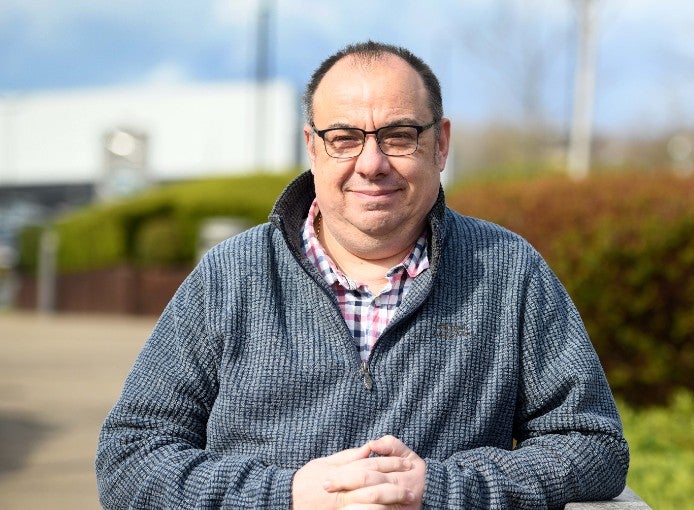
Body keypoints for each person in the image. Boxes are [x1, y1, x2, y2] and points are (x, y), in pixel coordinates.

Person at [95, 40, 629, 509]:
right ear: (313, 147)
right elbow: (130, 457)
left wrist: (441, 490)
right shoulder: (229, 278)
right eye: (345, 137)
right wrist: (285, 496)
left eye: (399, 135)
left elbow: (593, 444)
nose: (371, 163)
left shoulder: (510, 273)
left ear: (440, 144)